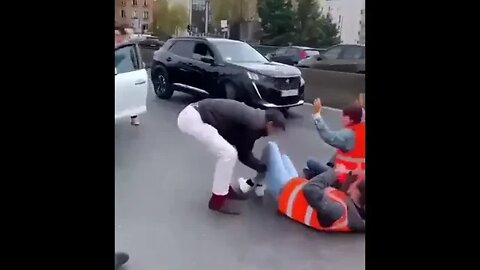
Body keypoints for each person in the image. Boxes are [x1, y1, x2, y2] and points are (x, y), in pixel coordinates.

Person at [177, 99, 286, 215]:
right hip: (194, 118)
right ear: (269, 124)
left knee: (227, 152)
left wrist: (259, 166)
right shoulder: (254, 125)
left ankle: (224, 189)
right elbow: (243, 154)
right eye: (276, 130)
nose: (276, 134)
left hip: (195, 113)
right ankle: (217, 200)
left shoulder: (257, 118)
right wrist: (261, 167)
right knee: (228, 154)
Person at [243, 142, 365, 232]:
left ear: (358, 194)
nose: (352, 184)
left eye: (355, 184)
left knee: (271, 147)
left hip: (284, 191)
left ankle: (254, 182)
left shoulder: (338, 210)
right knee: (284, 157)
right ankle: (263, 178)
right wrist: (342, 172)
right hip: (294, 184)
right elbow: (311, 163)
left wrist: (334, 173)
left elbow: (310, 190)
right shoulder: (350, 204)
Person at [303, 98, 365, 184]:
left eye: (344, 116)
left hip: (342, 177)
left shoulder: (349, 134)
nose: (341, 117)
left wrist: (317, 115)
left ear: (351, 120)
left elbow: (328, 136)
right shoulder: (362, 130)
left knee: (310, 162)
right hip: (355, 176)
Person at [115, 25, 139, 126]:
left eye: (117, 35)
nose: (116, 37)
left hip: (128, 75)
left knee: (130, 97)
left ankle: (134, 118)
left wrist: (138, 68)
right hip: (117, 74)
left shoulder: (128, 46)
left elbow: (135, 59)